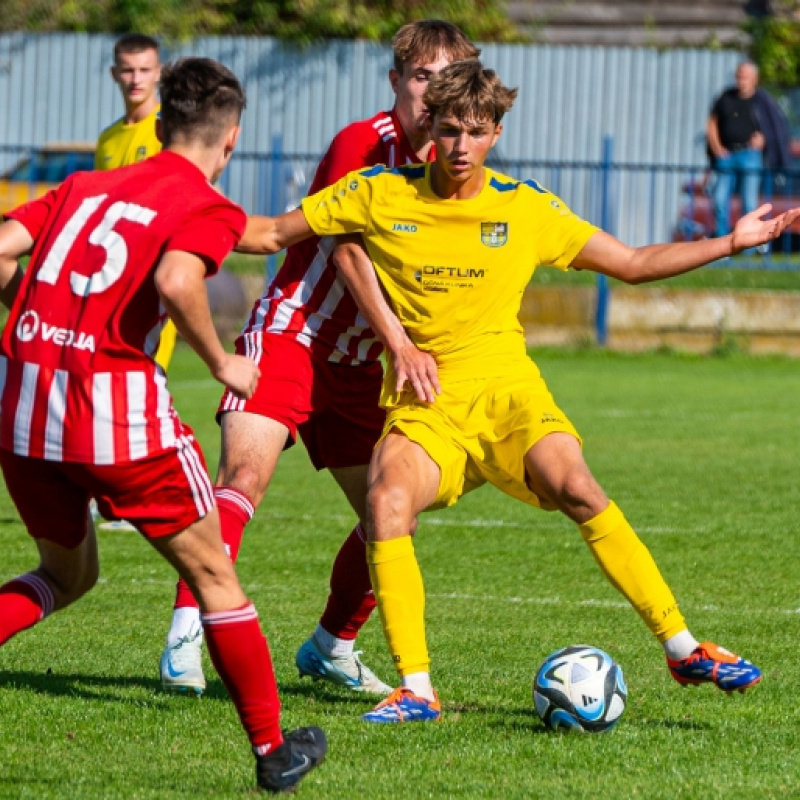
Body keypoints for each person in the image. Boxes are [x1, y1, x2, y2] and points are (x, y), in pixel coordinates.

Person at [239, 58, 797, 723]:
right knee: (386, 505)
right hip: (427, 410)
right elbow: (269, 233)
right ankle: (416, 688)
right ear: (431, 127)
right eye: (449, 130)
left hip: (509, 399)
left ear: (497, 132)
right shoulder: (379, 192)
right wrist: (176, 207)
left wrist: (729, 242)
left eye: (476, 131)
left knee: (581, 489)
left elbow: (633, 264)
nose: (461, 147)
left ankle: (683, 647)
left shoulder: (524, 207)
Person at [0, 57, 326, 791]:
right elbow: (178, 279)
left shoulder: (86, 186)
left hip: (25, 411)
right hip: (116, 420)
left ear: (165, 123)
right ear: (231, 138)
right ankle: (274, 749)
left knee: (66, 574)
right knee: (215, 575)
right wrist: (223, 363)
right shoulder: (201, 202)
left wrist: (29, 316)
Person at [158, 19, 479, 698]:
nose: (430, 94)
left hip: (363, 363)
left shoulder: (453, 169)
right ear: (396, 82)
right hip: (294, 334)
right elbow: (345, 245)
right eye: (419, 77)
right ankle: (187, 633)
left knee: (391, 513)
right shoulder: (362, 143)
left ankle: (332, 645)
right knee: (244, 476)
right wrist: (400, 341)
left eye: (444, 79)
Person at [96, 33, 178, 373]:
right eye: (128, 70)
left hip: (150, 276)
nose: (136, 79)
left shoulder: (170, 131)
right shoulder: (108, 139)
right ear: (115, 73)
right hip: (108, 275)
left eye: (144, 70)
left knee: (143, 381)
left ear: (158, 72)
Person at [706, 60, 791, 243]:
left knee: (749, 203)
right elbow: (712, 123)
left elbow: (774, 126)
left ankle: (748, 244)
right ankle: (722, 242)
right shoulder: (726, 97)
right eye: (739, 76)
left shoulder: (762, 100)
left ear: (754, 79)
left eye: (745, 77)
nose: (741, 80)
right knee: (719, 199)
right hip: (726, 155)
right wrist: (717, 147)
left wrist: (763, 139)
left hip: (750, 156)